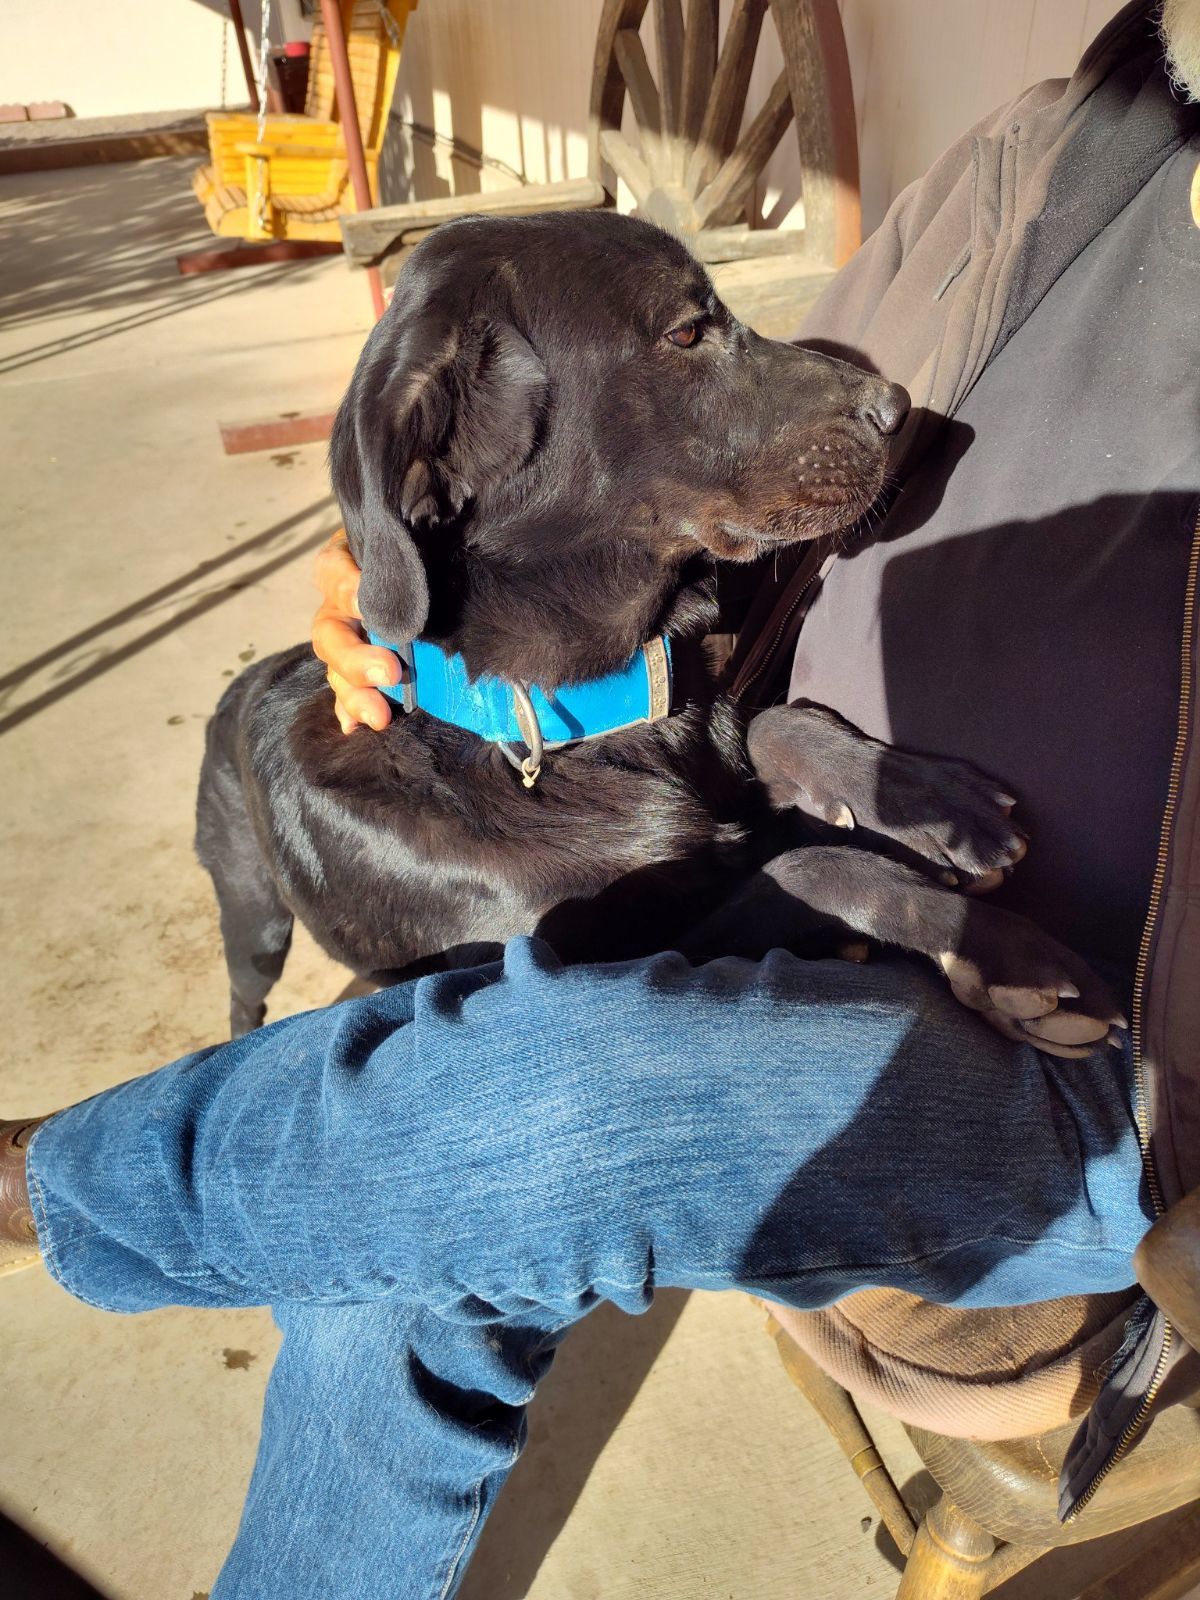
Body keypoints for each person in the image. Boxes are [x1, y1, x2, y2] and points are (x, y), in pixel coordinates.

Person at [3, 1, 1197, 1593]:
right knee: (409, 1199)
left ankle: (62, 1186)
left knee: (523, 1104)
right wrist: (427, 564)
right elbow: (688, 401)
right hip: (770, 792)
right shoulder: (1054, 142)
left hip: (1095, 1090)